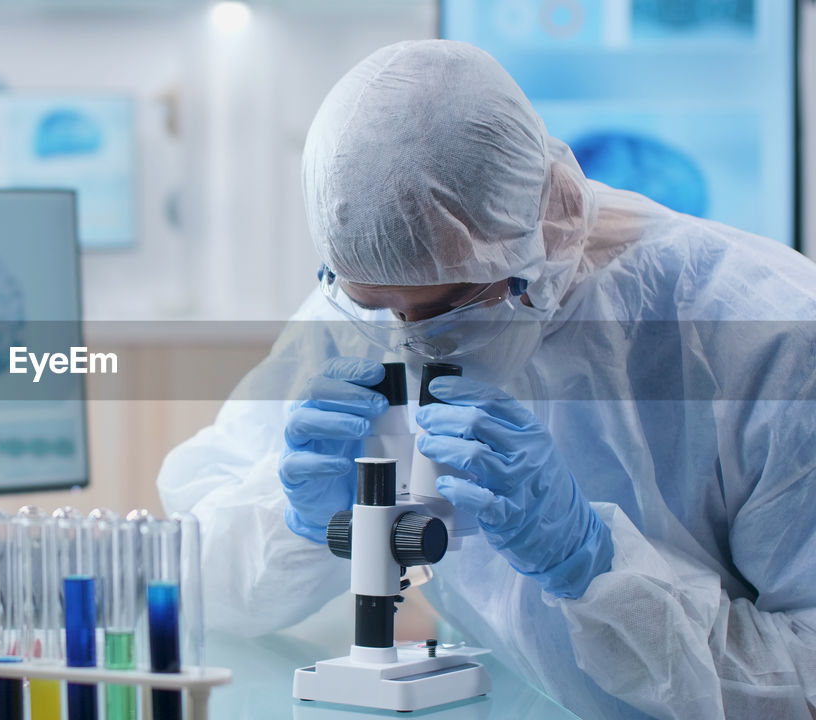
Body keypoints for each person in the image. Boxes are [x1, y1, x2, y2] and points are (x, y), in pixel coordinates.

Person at [157, 40, 816, 719]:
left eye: (447, 310)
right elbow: (192, 570)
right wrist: (296, 522)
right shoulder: (368, 306)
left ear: (537, 234)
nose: (409, 343)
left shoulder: (771, 340)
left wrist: (596, 566)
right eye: (379, 307)